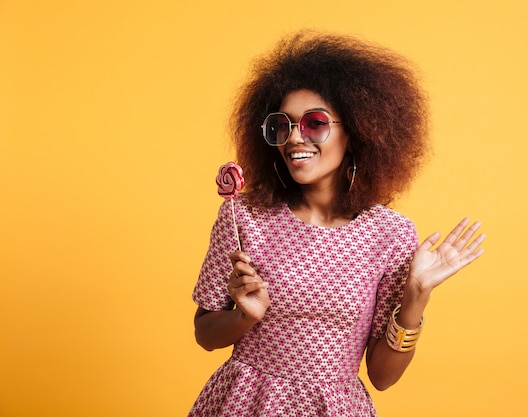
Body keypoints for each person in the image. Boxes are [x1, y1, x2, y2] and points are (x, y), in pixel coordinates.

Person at [188, 30, 486, 417]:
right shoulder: (244, 215)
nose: (295, 138)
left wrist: (416, 295)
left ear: (359, 129)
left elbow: (382, 376)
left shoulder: (391, 235)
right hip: (245, 403)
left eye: (315, 123)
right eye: (283, 125)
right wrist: (243, 316)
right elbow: (204, 334)